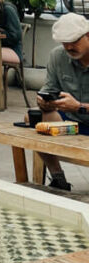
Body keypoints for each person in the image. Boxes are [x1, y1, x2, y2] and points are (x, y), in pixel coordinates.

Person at [35, 12, 89, 191]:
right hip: (71, 122)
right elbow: (49, 90)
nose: (68, 47)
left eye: (73, 41)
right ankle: (58, 178)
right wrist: (45, 101)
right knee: (36, 119)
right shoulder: (57, 56)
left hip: (80, 112)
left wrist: (80, 106)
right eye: (64, 42)